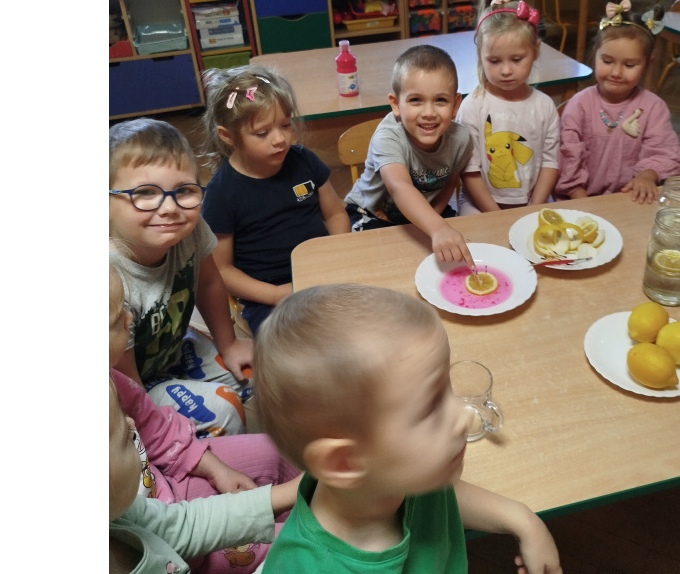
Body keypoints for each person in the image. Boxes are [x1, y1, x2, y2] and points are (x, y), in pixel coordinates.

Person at [247, 284, 563, 574]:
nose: (463, 417)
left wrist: (521, 519)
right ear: (344, 463)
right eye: (429, 408)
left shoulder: (392, 476)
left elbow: (440, 493)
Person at [110, 264, 302, 574]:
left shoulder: (111, 380)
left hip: (167, 499)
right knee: (299, 551)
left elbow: (153, 427)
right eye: (114, 322)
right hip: (176, 558)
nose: (129, 319)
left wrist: (215, 467)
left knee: (278, 456)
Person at [109, 378, 299, 574]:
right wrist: (292, 560)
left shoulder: (116, 515)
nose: (132, 425)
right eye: (124, 437)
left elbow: (182, 524)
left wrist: (291, 492)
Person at [109, 118, 252, 438]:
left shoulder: (189, 229)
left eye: (184, 190)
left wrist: (228, 344)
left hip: (171, 349)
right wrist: (153, 431)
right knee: (224, 411)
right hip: (128, 385)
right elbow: (130, 390)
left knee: (258, 372)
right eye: (145, 193)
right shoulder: (109, 277)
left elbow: (209, 282)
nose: (170, 207)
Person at [199, 65, 350, 333]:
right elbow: (222, 269)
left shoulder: (304, 160)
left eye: (285, 125)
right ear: (228, 136)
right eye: (262, 133)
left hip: (322, 273)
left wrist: (336, 256)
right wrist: (275, 294)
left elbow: (335, 214)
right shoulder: (222, 193)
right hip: (267, 297)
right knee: (300, 344)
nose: (280, 139)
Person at [342, 44, 476, 269]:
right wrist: (437, 228)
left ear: (455, 105)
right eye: (416, 100)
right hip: (373, 215)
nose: (429, 113)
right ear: (396, 104)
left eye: (440, 100)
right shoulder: (387, 136)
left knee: (458, 256)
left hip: (428, 212)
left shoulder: (461, 139)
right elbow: (399, 186)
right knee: (378, 268)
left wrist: (434, 218)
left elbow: (449, 182)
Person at [556, 0, 680, 203]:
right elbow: (568, 159)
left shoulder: (654, 107)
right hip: (579, 200)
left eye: (629, 65)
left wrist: (647, 176)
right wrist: (581, 199)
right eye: (607, 61)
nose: (616, 73)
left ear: (647, 64)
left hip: (631, 200)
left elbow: (664, 152)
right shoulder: (579, 105)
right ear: (595, 54)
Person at [456, 0, 559, 214]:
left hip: (533, 202)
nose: (505, 71)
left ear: (536, 51)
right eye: (494, 61)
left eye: (516, 59)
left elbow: (550, 162)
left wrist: (533, 209)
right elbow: (469, 170)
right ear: (480, 56)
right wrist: (496, 216)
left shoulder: (545, 106)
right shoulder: (472, 107)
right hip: (479, 205)